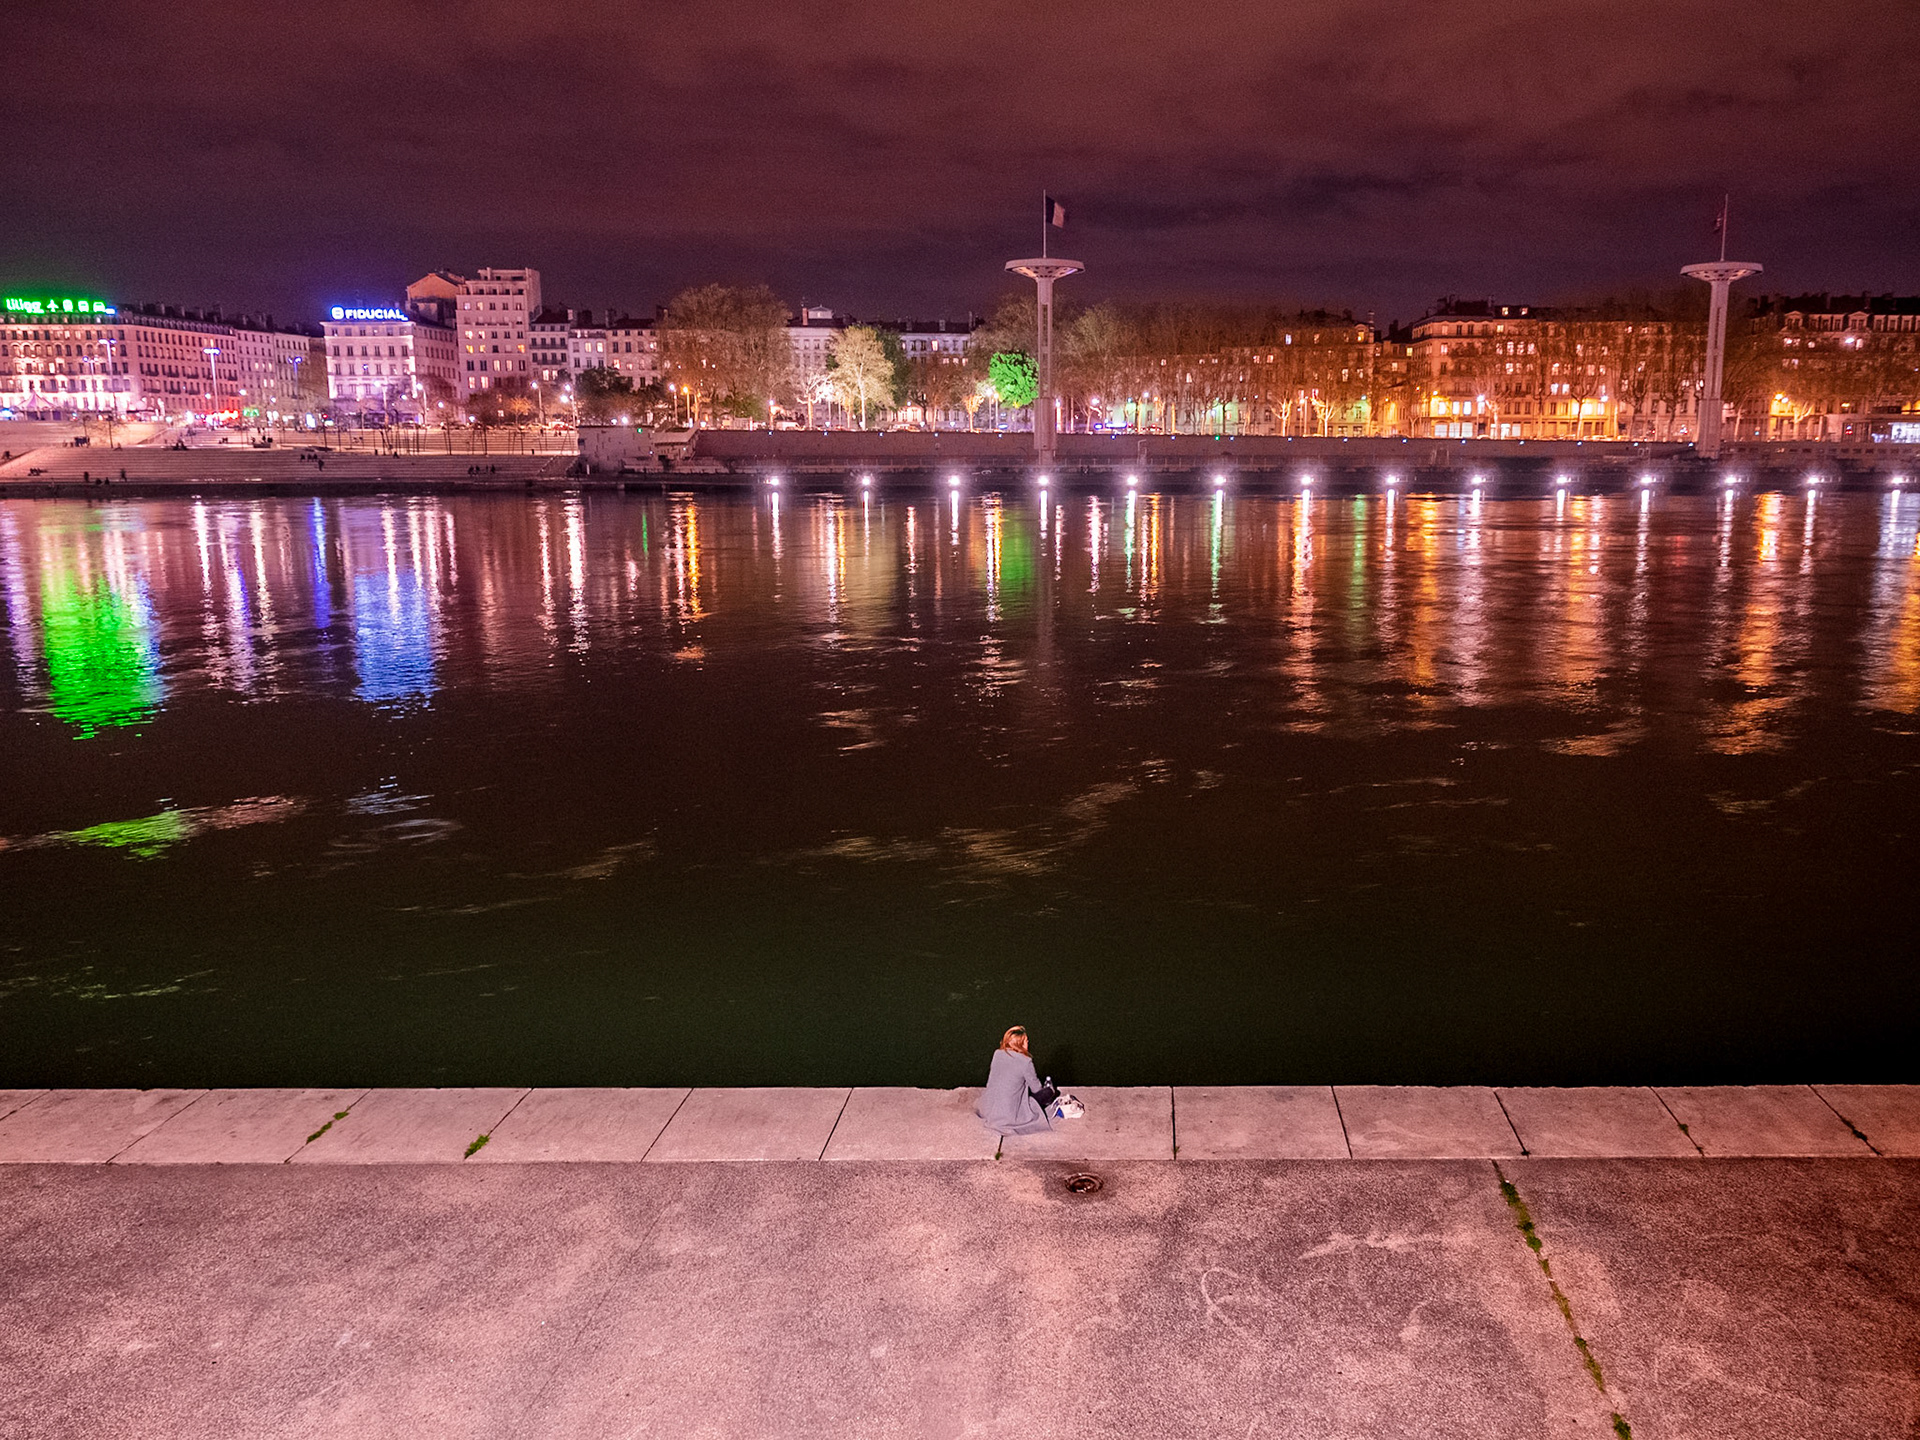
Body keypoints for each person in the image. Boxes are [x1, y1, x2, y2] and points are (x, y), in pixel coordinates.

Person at [975, 1025, 1056, 1136]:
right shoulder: (1025, 1061)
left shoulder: (997, 1054)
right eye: (1026, 1041)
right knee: (1048, 1092)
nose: (1028, 1044)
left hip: (988, 1107)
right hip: (1008, 1114)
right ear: (1020, 1044)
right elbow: (1036, 1088)